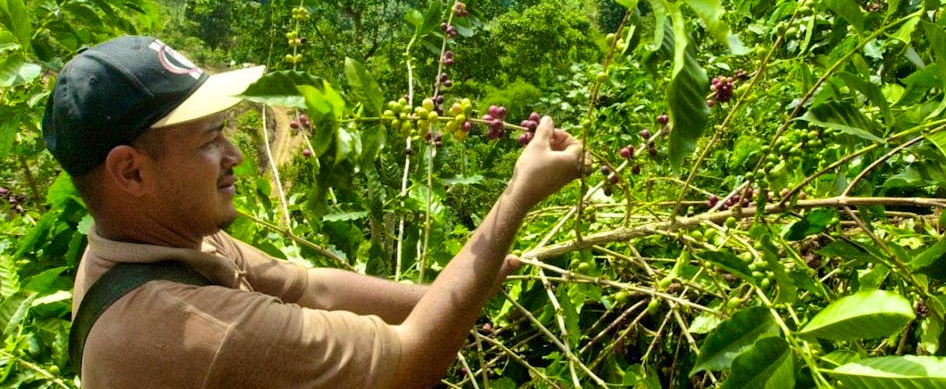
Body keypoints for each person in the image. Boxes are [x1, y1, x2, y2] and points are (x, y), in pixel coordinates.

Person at [42, 35, 588, 388]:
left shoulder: (153, 243)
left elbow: (309, 288)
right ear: (131, 172)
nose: (234, 156)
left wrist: (467, 284)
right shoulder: (195, 327)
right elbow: (409, 361)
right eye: (210, 141)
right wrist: (515, 200)